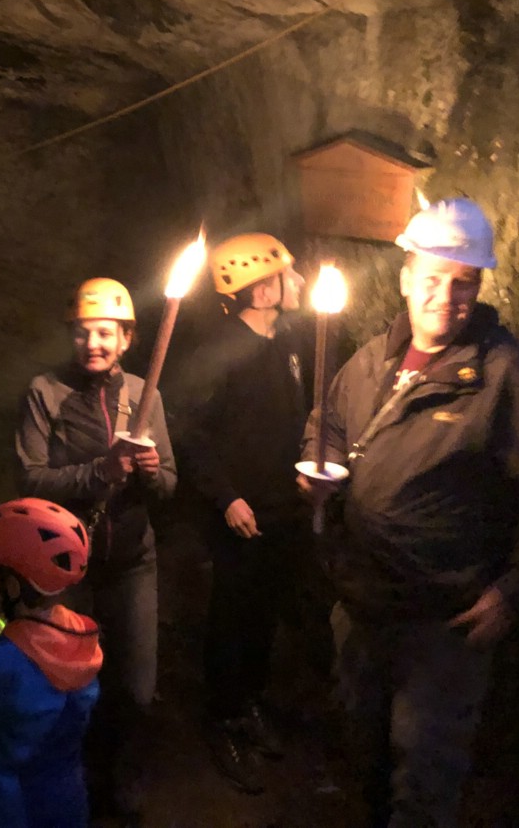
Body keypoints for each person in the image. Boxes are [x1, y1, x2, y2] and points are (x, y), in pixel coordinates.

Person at [297, 197, 519, 828]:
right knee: (363, 755)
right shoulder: (372, 359)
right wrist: (318, 468)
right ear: (405, 277)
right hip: (362, 604)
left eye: (464, 282)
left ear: (479, 287)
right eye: (432, 278)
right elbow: (329, 423)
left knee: (423, 782)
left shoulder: (505, 376)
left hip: (442, 624)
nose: (446, 298)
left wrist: (512, 591)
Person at [15, 277, 177, 826]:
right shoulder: (45, 392)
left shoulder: (146, 394)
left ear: (126, 338)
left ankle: (122, 777)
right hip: (66, 564)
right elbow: (31, 479)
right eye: (83, 332)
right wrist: (99, 472)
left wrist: (151, 472)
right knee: (67, 680)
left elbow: (169, 485)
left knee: (136, 687)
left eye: (105, 333)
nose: (93, 343)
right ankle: (69, 779)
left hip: (132, 561)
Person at [187, 232, 315, 793]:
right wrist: (227, 498)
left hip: (283, 508)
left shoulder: (286, 342)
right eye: (289, 274)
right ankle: (223, 718)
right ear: (262, 291)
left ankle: (250, 702)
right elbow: (192, 433)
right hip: (240, 513)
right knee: (233, 616)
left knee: (264, 613)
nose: (299, 281)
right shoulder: (221, 352)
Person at [0, 497, 103, 827]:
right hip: (68, 796)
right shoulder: (85, 636)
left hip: (11, 805)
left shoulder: (1, 661)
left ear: (12, 584)